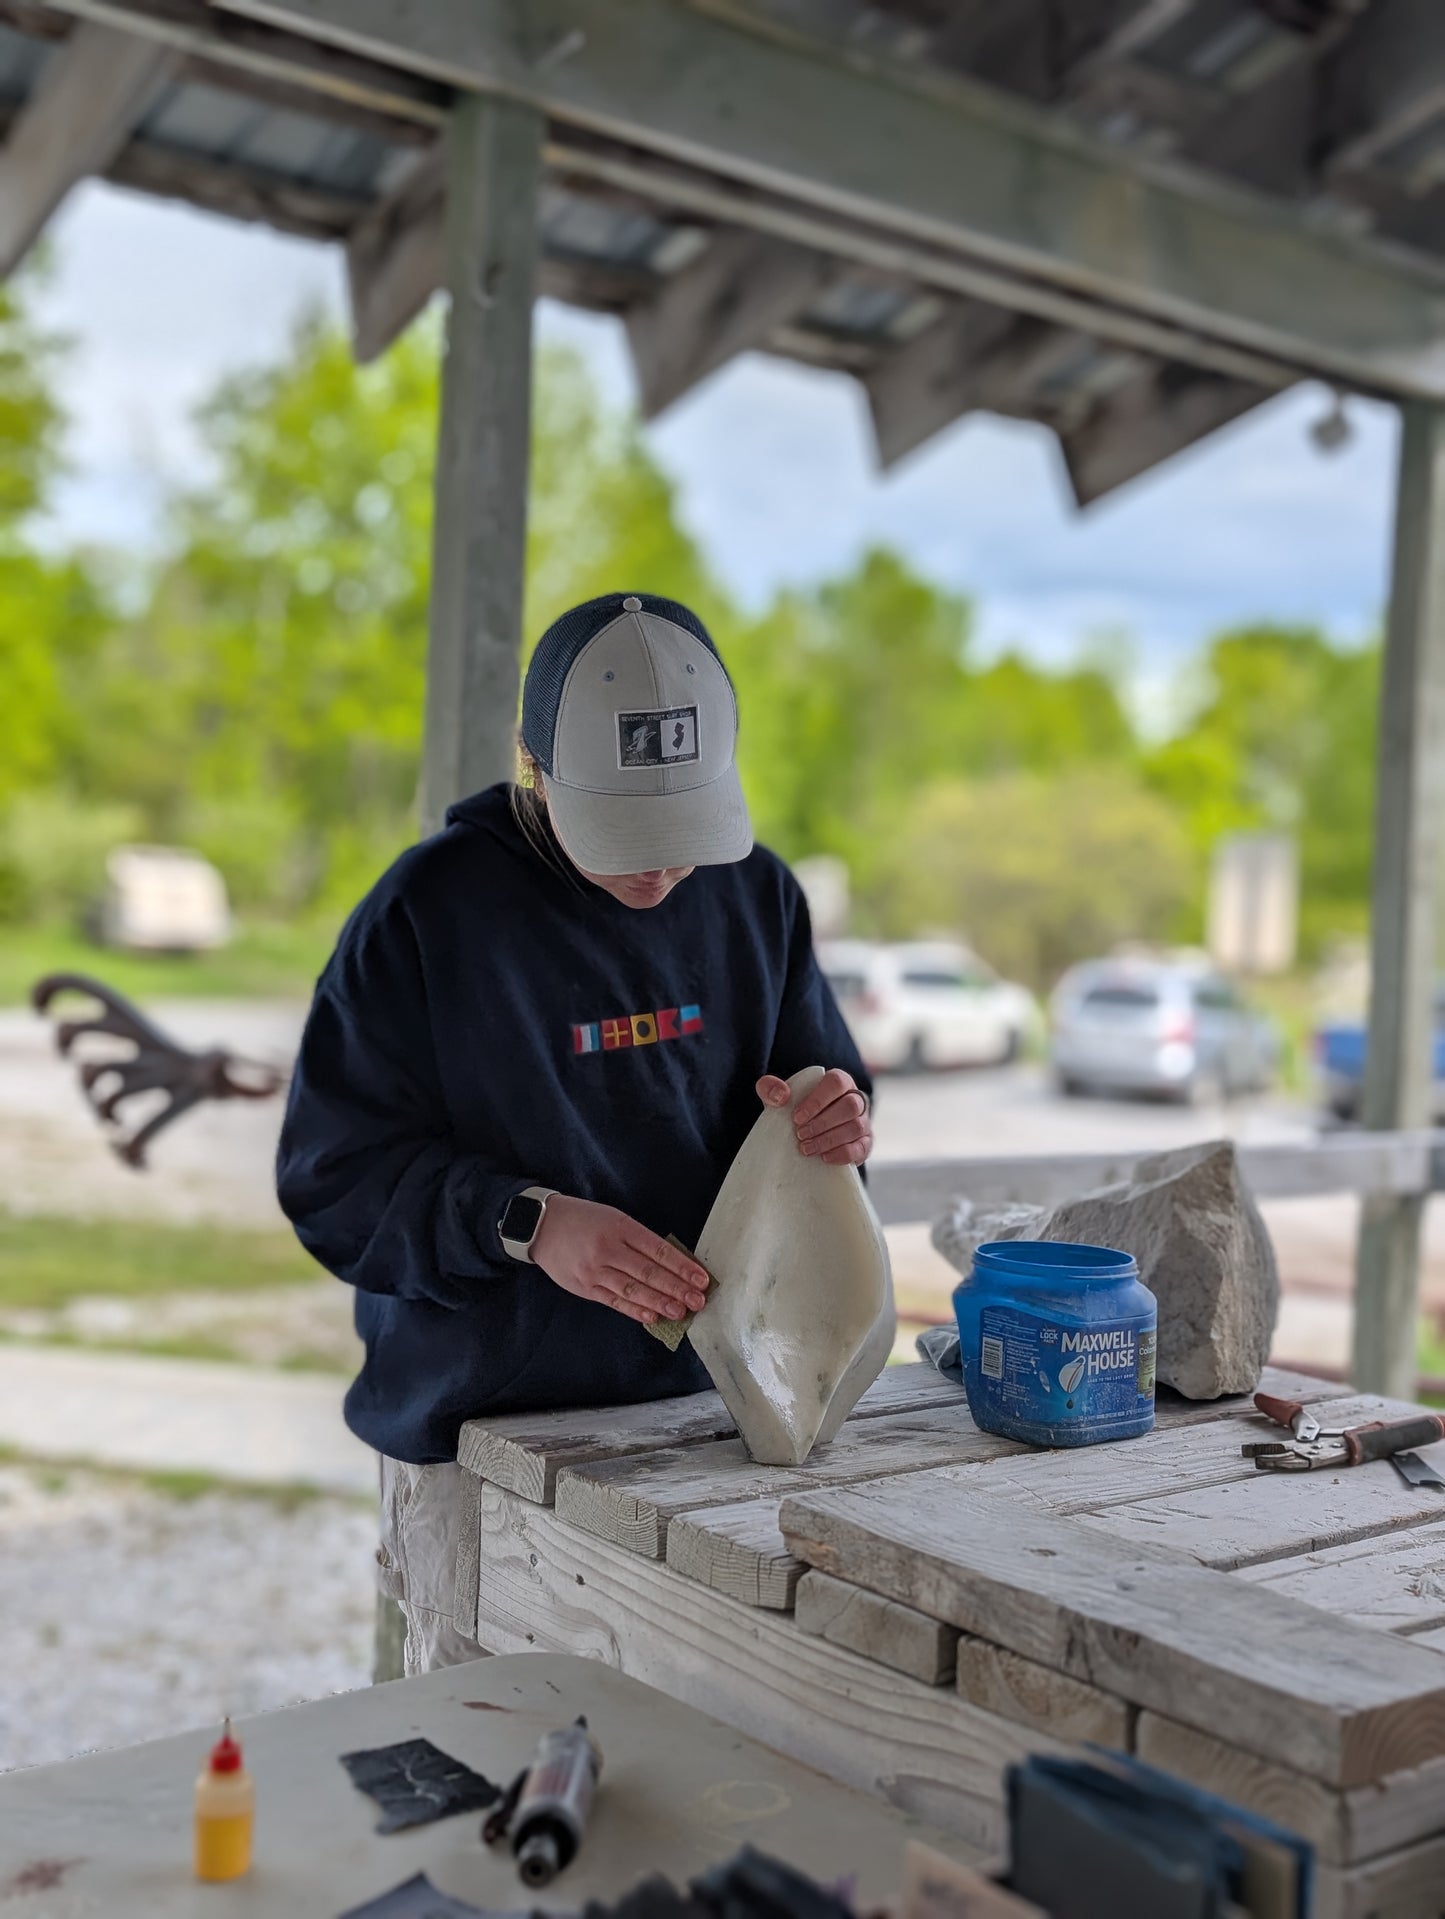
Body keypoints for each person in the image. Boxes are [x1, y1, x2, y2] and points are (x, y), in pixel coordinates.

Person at [276, 592, 873, 1673]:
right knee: (479, 1775)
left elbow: (814, 1087)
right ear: (533, 768)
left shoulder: (755, 897)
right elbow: (333, 1180)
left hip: (714, 1419)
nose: (659, 872)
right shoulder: (428, 914)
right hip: (482, 1440)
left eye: (684, 832)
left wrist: (834, 1107)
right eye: (624, 835)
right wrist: (526, 1221)